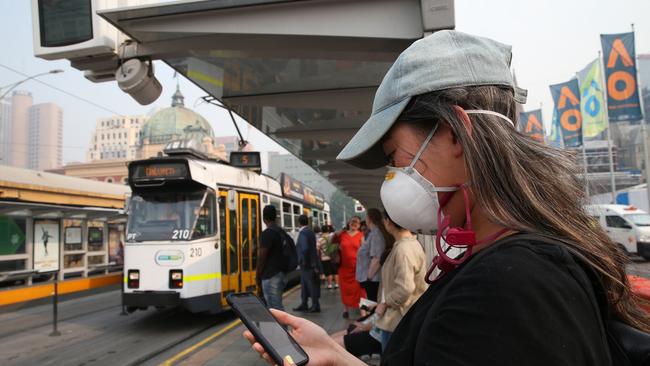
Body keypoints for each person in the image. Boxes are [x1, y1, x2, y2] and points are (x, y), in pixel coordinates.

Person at [244, 30, 650, 365]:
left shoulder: (505, 288)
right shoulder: (521, 264)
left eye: (393, 157)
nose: (392, 179)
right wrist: (336, 357)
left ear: (455, 134)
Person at [375, 210, 427, 351]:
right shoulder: (409, 245)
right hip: (403, 318)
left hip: (397, 319)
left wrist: (385, 303)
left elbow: (405, 287)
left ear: (388, 222)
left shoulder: (403, 249)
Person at [355, 208, 391, 302]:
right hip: (372, 278)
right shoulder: (374, 233)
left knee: (373, 304)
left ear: (369, 218)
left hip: (373, 279)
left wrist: (368, 277)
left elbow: (377, 258)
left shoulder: (376, 234)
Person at [257, 205, 286, 310]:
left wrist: (258, 276)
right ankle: (281, 326)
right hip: (280, 274)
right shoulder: (280, 232)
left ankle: (281, 327)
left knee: (274, 307)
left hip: (270, 276)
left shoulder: (267, 234)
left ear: (264, 218)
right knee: (276, 305)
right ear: (275, 217)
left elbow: (261, 258)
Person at [337, 216, 366, 318]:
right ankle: (345, 310)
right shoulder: (342, 235)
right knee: (345, 290)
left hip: (357, 269)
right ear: (348, 222)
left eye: (356, 222)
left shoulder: (361, 235)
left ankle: (363, 313)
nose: (354, 224)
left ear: (359, 225)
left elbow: (364, 252)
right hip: (344, 268)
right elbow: (332, 242)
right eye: (352, 221)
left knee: (360, 291)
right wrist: (341, 230)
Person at [293, 215, 321, 313]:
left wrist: (302, 261)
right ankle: (304, 303)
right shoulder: (310, 232)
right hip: (311, 263)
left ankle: (315, 305)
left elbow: (304, 249)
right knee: (305, 284)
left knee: (310, 285)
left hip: (307, 264)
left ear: (299, 223)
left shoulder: (303, 233)